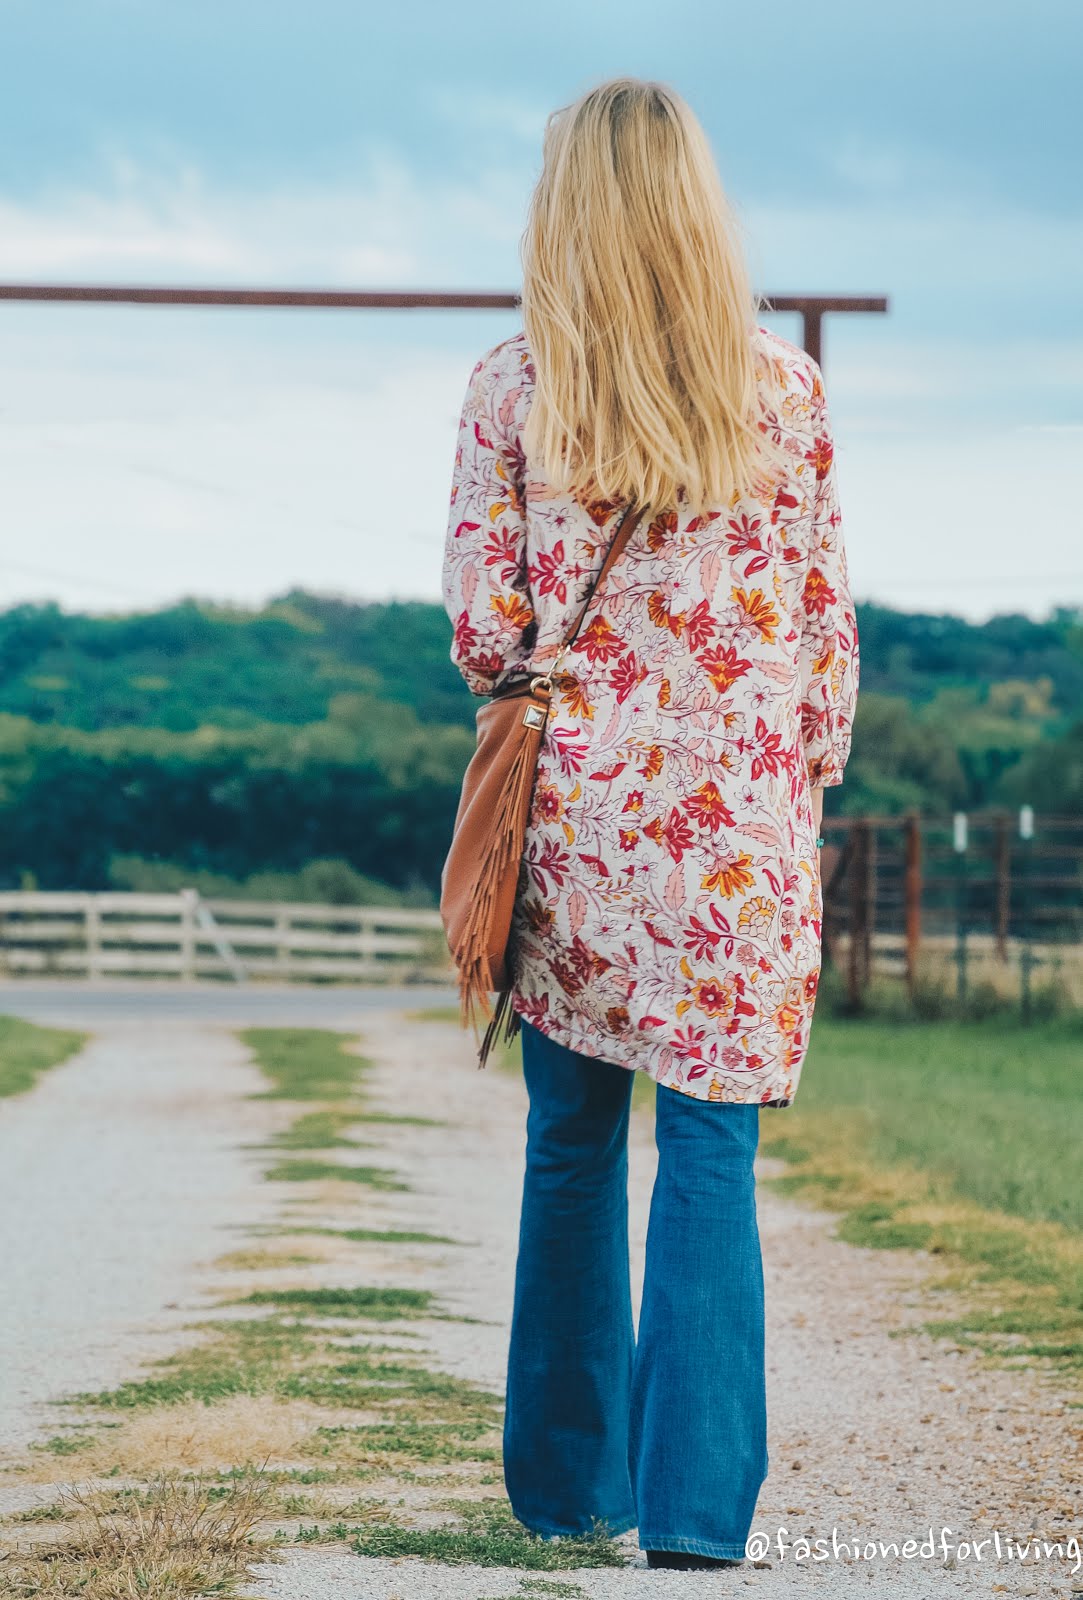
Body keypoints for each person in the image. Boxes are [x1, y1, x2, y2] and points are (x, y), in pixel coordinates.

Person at [441, 76, 859, 1570]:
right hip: (738, 843)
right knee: (712, 1162)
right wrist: (770, 774)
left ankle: (566, 1492)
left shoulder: (513, 387)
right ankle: (693, 1521)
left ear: (566, 207)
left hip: (582, 837)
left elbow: (490, 629)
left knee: (569, 1153)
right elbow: (822, 656)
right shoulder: (787, 395)